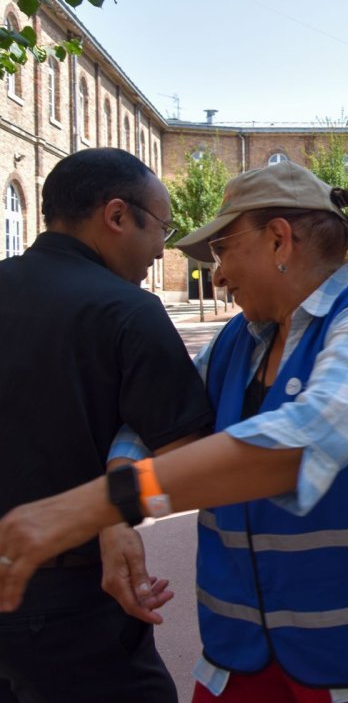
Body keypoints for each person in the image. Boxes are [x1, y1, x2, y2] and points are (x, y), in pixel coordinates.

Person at [0, 159, 348, 702]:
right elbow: (145, 427)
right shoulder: (241, 338)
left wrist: (93, 506)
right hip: (244, 649)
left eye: (221, 250)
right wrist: (117, 514)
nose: (215, 275)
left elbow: (304, 439)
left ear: (279, 240)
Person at [0, 148, 210, 703]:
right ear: (117, 216)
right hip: (73, 600)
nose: (162, 247)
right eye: (160, 226)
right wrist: (122, 512)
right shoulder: (129, 310)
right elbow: (185, 459)